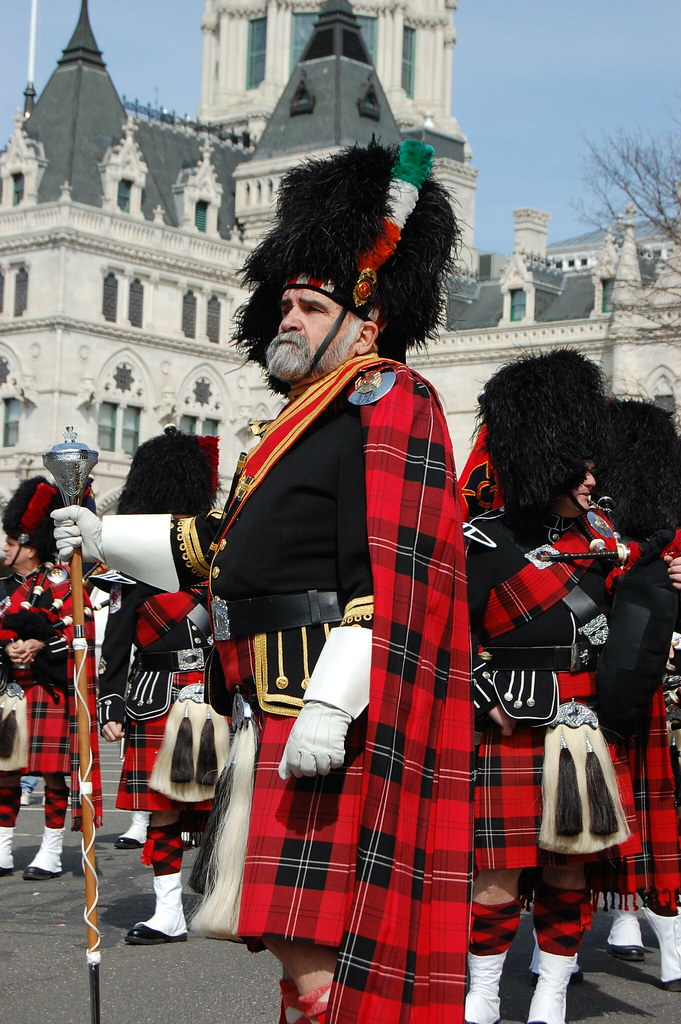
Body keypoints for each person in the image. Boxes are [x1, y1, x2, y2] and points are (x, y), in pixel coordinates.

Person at [52, 139, 473, 1024]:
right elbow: (218, 547)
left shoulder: (387, 397)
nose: (287, 316)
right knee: (287, 939)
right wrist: (104, 536)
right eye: (286, 300)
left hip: (325, 706)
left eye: (310, 304)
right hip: (269, 704)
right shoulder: (293, 423)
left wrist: (331, 701)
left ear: (365, 322)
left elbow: (388, 573)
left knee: (321, 950)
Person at [460, 350, 648, 1024]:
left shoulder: (608, 544)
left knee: (569, 871)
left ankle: (550, 992)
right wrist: (486, 693)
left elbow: (630, 636)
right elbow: (451, 636)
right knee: (495, 872)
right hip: (510, 720)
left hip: (582, 724)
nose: (596, 478)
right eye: (583, 466)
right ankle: (481, 992)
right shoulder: (481, 541)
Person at [97, 426, 223, 944]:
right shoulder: (131, 565)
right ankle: (168, 910)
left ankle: (222, 897)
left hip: (213, 687)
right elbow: (118, 639)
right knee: (163, 808)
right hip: (154, 689)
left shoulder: (216, 555)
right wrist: (111, 698)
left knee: (224, 800)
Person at [592, 398, 681, 989]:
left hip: (645, 684)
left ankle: (664, 932)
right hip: (612, 678)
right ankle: (623, 919)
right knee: (616, 807)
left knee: (631, 807)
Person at [0, 477, 101, 879]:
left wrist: (41, 646)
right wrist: (8, 648)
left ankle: (51, 849)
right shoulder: (11, 586)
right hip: (14, 689)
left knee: (52, 773)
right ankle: (4, 847)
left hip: (50, 688)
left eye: (12, 542)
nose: (6, 548)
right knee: (5, 770)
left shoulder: (62, 583)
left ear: (30, 545)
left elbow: (82, 634)